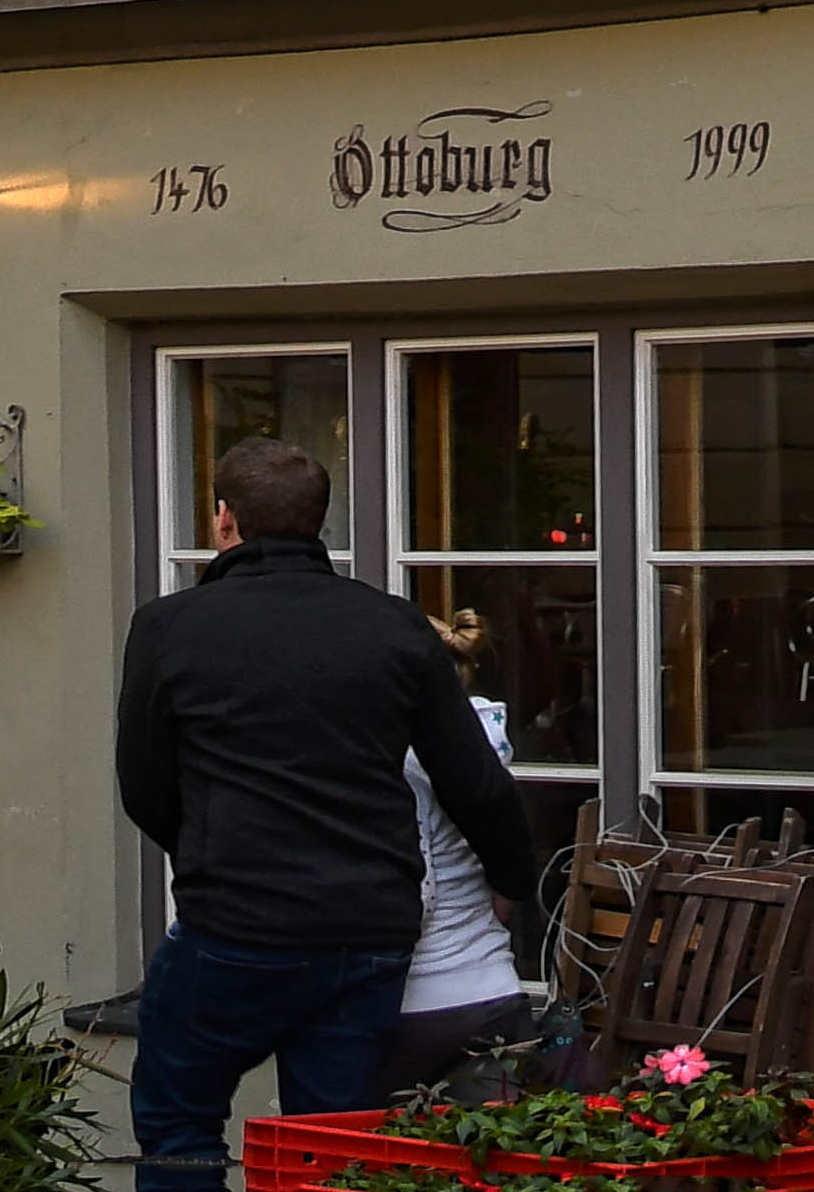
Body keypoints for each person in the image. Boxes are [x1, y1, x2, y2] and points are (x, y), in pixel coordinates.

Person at [116, 439, 541, 1191]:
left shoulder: (169, 626)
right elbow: (477, 783)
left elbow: (144, 786)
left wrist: (215, 855)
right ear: (319, 522)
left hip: (235, 926)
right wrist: (511, 879)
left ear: (224, 520)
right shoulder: (394, 626)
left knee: (178, 1120)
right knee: (332, 1147)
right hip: (366, 932)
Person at [386, 606, 536, 1091]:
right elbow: (502, 877)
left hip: (419, 1000)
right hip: (493, 988)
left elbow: (416, 892)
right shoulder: (481, 749)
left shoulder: (403, 761)